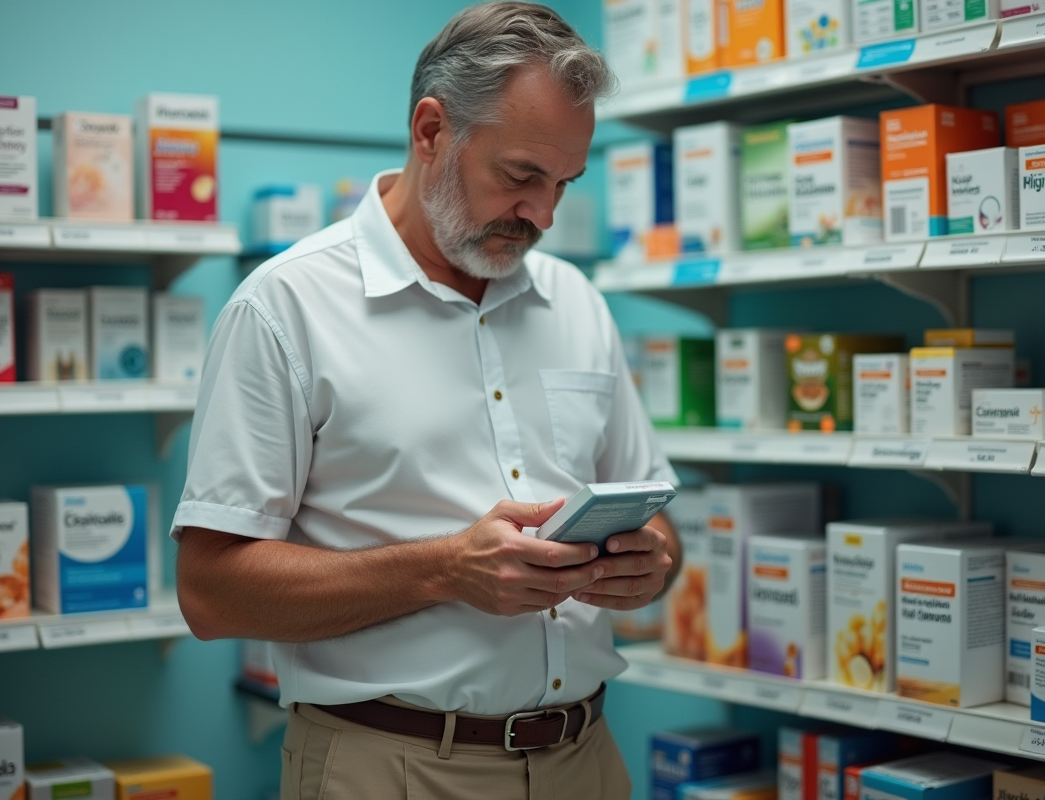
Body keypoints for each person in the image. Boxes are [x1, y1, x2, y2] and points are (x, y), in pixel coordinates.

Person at [172, 3, 679, 798]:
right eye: (519, 177)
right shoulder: (286, 307)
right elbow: (209, 592)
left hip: (586, 760)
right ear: (432, 130)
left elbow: (655, 519)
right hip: (391, 767)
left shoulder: (576, 300)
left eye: (562, 184)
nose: (543, 216)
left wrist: (650, 563)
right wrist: (445, 569)